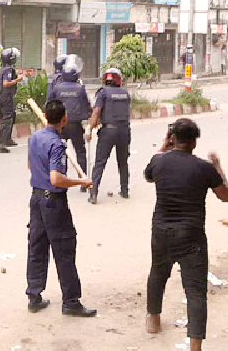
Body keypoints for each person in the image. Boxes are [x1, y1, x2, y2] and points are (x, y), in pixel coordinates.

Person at [144, 118, 228, 351]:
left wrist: (164, 146)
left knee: (158, 273)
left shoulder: (159, 161)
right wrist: (218, 166)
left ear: (173, 138)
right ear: (194, 142)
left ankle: (153, 320)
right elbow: (226, 196)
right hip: (191, 234)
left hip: (161, 229)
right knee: (195, 290)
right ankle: (195, 346)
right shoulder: (204, 167)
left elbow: (148, 176)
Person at [26, 100, 96, 317]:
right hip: (53, 203)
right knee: (64, 250)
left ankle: (34, 296)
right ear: (64, 119)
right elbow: (56, 179)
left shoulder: (35, 138)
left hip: (36, 199)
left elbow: (30, 165)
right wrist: (81, 182)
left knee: (37, 247)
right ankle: (71, 301)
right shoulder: (57, 144)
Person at [86, 68, 131, 204]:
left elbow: (96, 112)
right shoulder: (125, 93)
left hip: (108, 131)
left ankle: (93, 194)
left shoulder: (103, 92)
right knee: (123, 162)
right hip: (124, 131)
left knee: (100, 162)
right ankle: (124, 191)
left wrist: (89, 129)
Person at [47, 59, 91, 191]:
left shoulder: (57, 87)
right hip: (76, 125)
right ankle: (83, 181)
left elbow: (50, 102)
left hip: (60, 125)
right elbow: (87, 105)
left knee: (58, 152)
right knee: (80, 152)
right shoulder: (80, 88)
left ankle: (60, 179)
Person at [0, 48, 25, 153]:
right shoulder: (8, 70)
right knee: (7, 119)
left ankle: (7, 139)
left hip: (3, 96)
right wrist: (18, 80)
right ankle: (0, 143)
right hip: (6, 96)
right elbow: (6, 83)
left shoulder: (3, 68)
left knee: (12, 116)